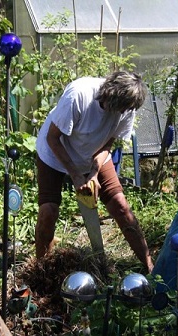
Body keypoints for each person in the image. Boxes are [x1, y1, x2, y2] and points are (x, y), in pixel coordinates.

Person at [35, 71, 154, 272]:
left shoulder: (128, 105)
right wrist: (75, 174)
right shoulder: (79, 95)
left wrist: (94, 171)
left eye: (123, 110)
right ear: (108, 92)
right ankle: (41, 270)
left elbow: (109, 141)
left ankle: (150, 266)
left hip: (93, 154)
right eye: (115, 108)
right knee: (48, 211)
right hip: (55, 153)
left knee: (121, 206)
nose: (119, 113)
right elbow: (52, 138)